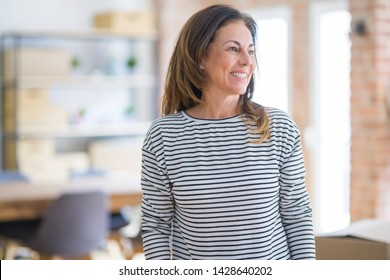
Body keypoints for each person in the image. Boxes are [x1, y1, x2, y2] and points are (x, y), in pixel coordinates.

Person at [141, 4, 316, 260]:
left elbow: (297, 214)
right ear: (200, 56)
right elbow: (156, 223)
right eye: (233, 49)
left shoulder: (278, 127)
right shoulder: (163, 136)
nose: (247, 61)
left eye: (251, 51)